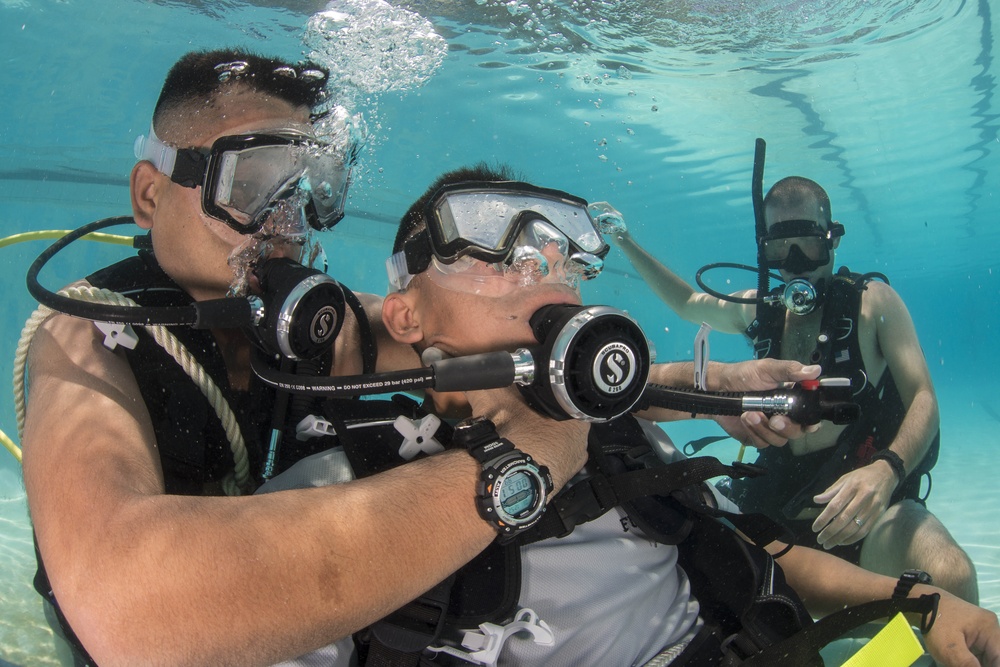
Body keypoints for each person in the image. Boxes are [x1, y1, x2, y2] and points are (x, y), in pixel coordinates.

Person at [19, 49, 805, 666]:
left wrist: (711, 388)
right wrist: (528, 461)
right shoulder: (87, 339)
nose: (286, 223)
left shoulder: (318, 331)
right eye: (255, 183)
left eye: (314, 186)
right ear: (152, 195)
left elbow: (498, 363)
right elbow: (130, 612)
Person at [260, 163, 1000, 666]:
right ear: (406, 313)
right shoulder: (336, 497)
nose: (544, 278)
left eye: (564, 262)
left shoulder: (618, 429)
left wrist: (918, 600)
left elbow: (742, 549)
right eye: (498, 253)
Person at [608, 175, 979, 603]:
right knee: (680, 571)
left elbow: (923, 397)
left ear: (832, 241)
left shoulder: (873, 304)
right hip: (779, 515)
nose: (797, 261)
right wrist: (626, 242)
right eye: (782, 249)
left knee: (952, 577)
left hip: (871, 512)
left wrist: (886, 470)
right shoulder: (759, 308)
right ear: (764, 249)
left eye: (809, 245)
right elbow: (688, 304)